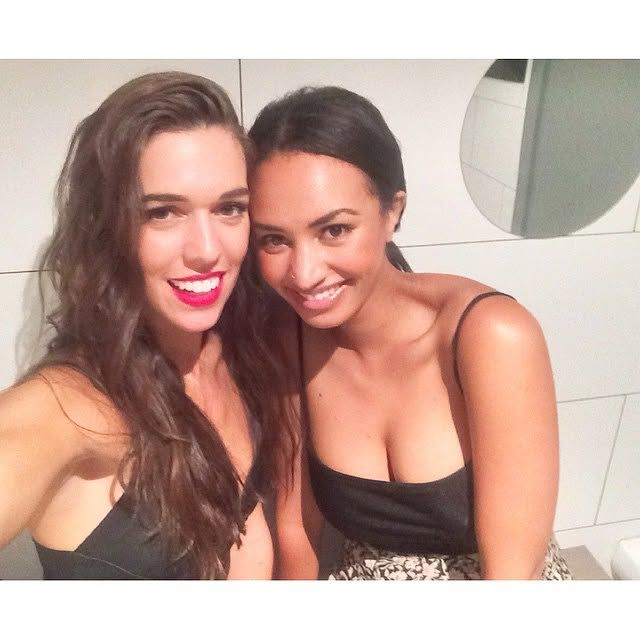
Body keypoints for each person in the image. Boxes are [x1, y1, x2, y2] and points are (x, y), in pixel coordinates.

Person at [247, 86, 572, 580]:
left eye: (334, 230)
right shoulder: (289, 336)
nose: (304, 274)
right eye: (274, 239)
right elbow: (296, 531)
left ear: (392, 210)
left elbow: (514, 573)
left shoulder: (490, 336)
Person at [0, 71, 292, 579]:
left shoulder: (242, 350)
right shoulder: (66, 408)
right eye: (162, 213)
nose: (207, 250)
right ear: (106, 226)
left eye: (229, 208)